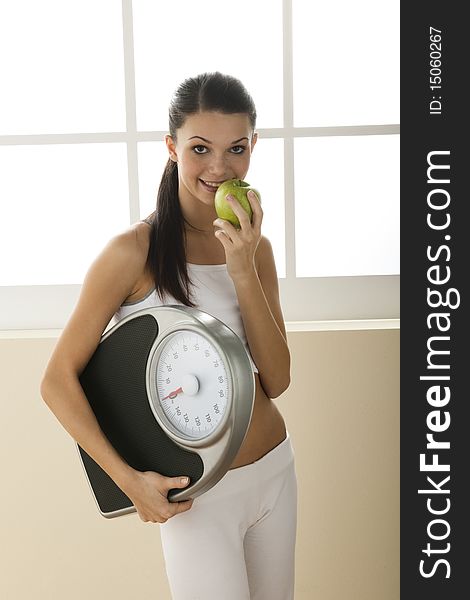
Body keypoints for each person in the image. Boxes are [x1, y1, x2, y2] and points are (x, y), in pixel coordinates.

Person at [40, 71, 297, 600]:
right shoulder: (133, 252)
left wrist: (242, 267)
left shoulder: (255, 248)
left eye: (236, 149)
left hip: (274, 471)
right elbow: (57, 380)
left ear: (253, 149)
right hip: (198, 495)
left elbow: (277, 379)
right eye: (200, 148)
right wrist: (129, 482)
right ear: (172, 148)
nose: (219, 167)